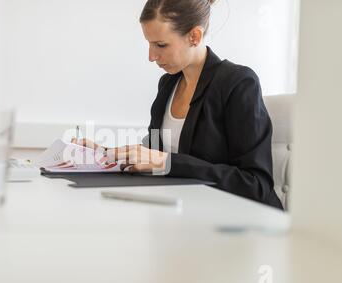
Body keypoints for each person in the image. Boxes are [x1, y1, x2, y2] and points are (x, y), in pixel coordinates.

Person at [73, 0, 283, 210]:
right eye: (149, 43)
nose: (151, 56)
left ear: (195, 36)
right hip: (188, 215)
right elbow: (155, 156)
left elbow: (256, 185)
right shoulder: (168, 84)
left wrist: (168, 162)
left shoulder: (238, 83)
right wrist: (106, 154)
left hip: (241, 224)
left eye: (161, 45)